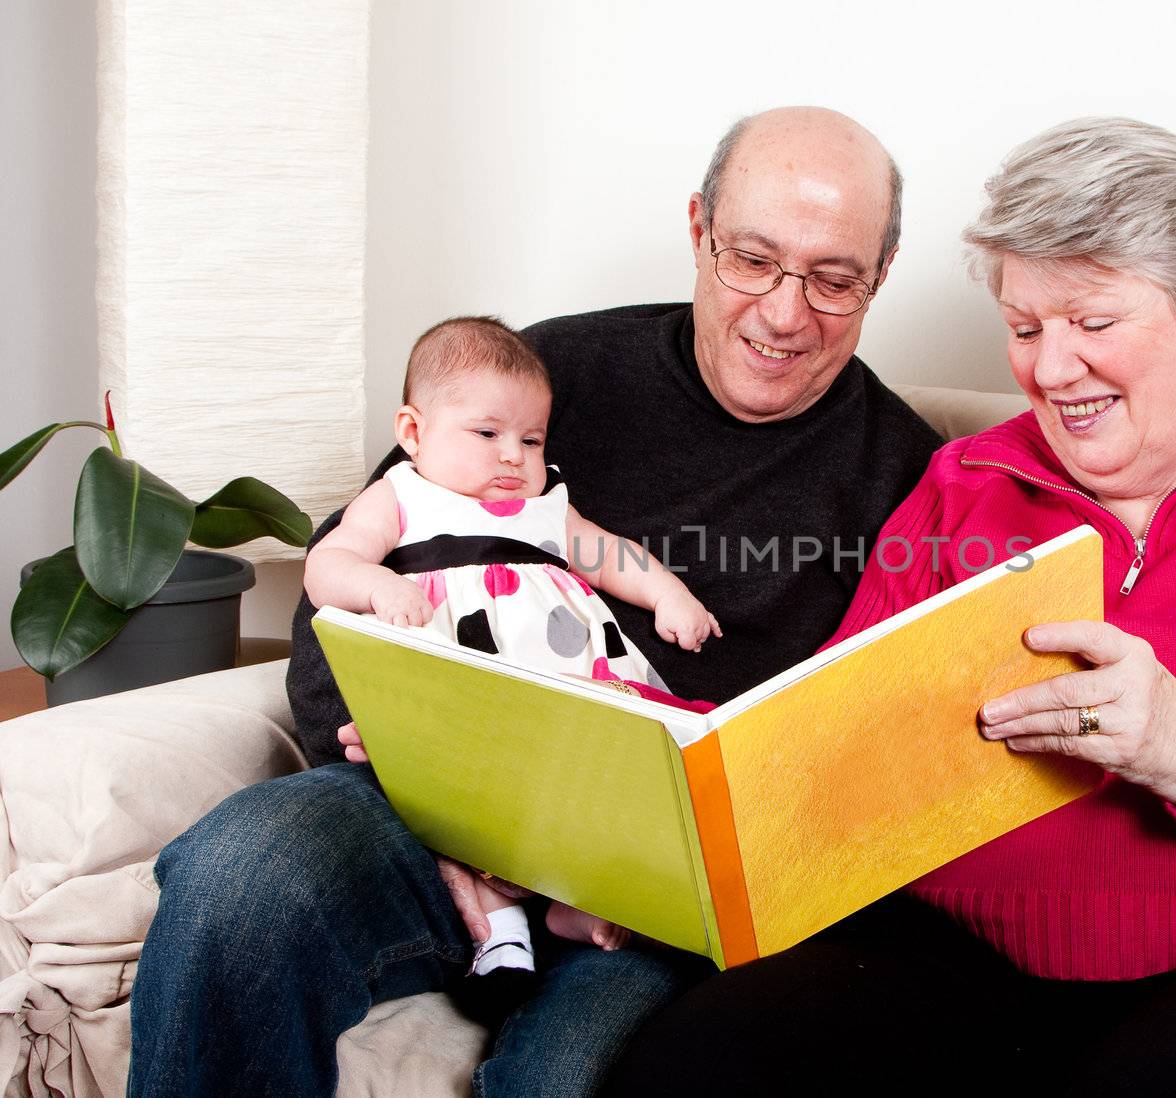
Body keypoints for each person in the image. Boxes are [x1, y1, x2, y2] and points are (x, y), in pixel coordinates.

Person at [603, 118, 1176, 1097]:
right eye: (1025, 327)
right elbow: (831, 751)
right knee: (694, 1064)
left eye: (1090, 322)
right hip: (969, 971)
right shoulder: (966, 483)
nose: (1047, 371)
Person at [127, 106, 943, 1098]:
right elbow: (343, 584)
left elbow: (883, 763)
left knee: (567, 1075)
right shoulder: (543, 379)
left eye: (833, 278)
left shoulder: (914, 476)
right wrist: (430, 804)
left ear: (881, 277)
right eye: (751, 259)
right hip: (432, 801)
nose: (782, 313)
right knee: (235, 881)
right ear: (697, 229)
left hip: (656, 898)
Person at [303, 314, 721, 1006]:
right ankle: (502, 940)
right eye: (487, 433)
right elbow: (328, 566)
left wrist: (669, 593)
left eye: (531, 439)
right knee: (464, 807)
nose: (512, 458)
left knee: (611, 779)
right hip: (468, 693)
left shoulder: (545, 507)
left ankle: (584, 902)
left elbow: (608, 553)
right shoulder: (405, 495)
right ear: (413, 432)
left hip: (567, 691)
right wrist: (377, 585)